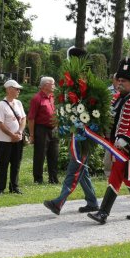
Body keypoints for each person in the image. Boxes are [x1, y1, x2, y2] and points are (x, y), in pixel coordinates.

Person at [88, 57, 130, 224]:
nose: (119, 83)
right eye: (119, 80)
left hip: (128, 148)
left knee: (115, 177)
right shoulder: (116, 97)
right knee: (129, 178)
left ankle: (103, 213)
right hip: (114, 146)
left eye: (123, 80)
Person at [43, 47, 99, 215]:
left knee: (74, 169)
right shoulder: (74, 81)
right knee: (82, 169)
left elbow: (90, 108)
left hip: (84, 134)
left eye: (70, 59)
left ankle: (58, 202)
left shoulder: (83, 82)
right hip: (76, 132)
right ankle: (92, 202)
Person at [0, 80, 26, 195]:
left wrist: (20, 132)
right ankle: (0, 188)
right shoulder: (1, 105)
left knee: (16, 163)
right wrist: (11, 135)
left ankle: (14, 186)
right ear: (8, 89)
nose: (18, 91)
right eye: (16, 88)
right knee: (3, 164)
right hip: (4, 140)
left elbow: (23, 118)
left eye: (19, 89)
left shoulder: (18, 103)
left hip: (17, 139)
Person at [28, 76, 59, 184]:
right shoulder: (37, 98)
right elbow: (31, 118)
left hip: (54, 129)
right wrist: (31, 135)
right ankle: (38, 179)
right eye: (53, 84)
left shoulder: (52, 97)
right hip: (42, 129)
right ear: (46, 85)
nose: (54, 86)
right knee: (40, 155)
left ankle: (53, 178)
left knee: (54, 154)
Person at [103, 73, 118, 177]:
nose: (119, 81)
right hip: (110, 123)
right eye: (116, 79)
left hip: (121, 123)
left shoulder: (125, 92)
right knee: (109, 146)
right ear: (113, 80)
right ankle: (108, 171)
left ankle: (119, 170)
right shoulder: (108, 91)